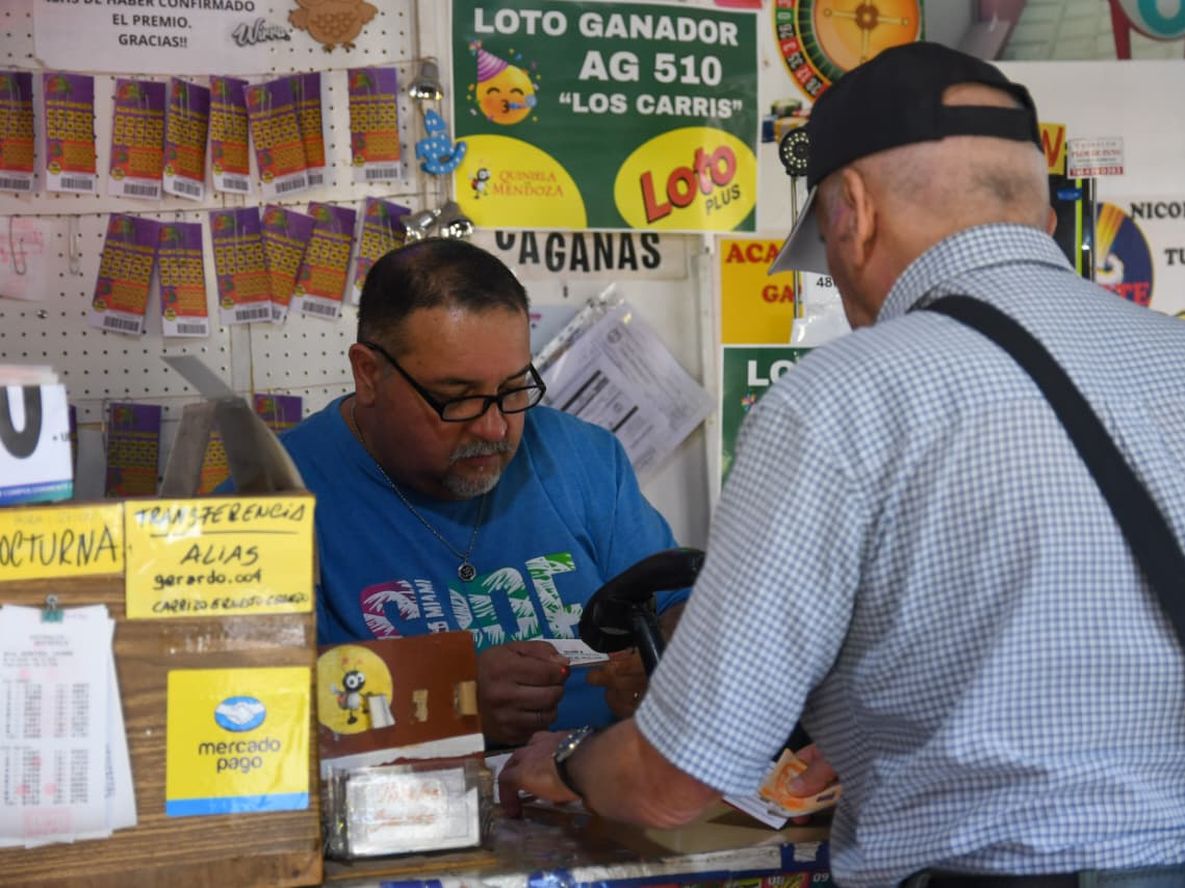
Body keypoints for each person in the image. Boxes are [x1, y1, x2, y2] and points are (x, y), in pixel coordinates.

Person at [498, 42, 1185, 887]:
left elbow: (675, 783)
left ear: (850, 211)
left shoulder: (843, 396)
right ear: (1040, 218)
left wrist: (565, 763)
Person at [281, 238, 688, 747]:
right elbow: (246, 712)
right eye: (457, 398)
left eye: (514, 390)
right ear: (369, 374)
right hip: (397, 815)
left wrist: (665, 655)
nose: (496, 429)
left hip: (597, 797)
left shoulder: (584, 458)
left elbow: (681, 604)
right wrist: (449, 699)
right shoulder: (275, 499)